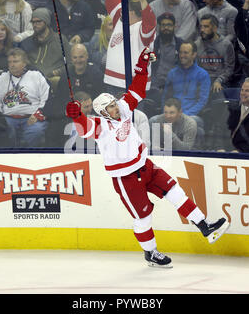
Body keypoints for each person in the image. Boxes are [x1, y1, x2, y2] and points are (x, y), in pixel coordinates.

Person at [65, 47, 229, 268]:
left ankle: (204, 226)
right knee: (143, 217)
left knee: (175, 191)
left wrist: (142, 66)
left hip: (145, 166)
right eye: (111, 106)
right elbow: (84, 128)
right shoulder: (100, 125)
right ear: (103, 112)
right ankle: (151, 252)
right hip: (125, 178)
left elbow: (137, 90)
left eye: (114, 103)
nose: (116, 107)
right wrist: (77, 115)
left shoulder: (123, 109)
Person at [0, 48, 50, 148]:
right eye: (10, 62)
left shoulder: (36, 75)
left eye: (16, 61)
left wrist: (38, 114)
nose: (12, 65)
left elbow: (46, 97)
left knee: (36, 131)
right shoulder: (2, 77)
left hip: (32, 117)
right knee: (1, 129)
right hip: (8, 118)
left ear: (24, 63)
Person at [104, 0, 156, 95]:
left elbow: (150, 21)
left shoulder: (143, 30)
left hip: (134, 85)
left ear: (132, 13)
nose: (121, 11)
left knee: (135, 112)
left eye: (125, 9)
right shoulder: (120, 20)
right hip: (113, 83)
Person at [20, 7, 70, 90]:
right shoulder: (27, 42)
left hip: (54, 80)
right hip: (31, 82)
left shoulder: (60, 40)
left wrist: (56, 72)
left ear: (46, 22)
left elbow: (70, 64)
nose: (35, 25)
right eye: (33, 22)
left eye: (38, 21)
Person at [162, 41, 211, 117]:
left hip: (191, 115)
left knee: (189, 125)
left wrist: (185, 115)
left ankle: (171, 127)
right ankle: (167, 128)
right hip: (171, 114)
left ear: (194, 55)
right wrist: (166, 113)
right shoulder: (172, 73)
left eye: (185, 53)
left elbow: (202, 101)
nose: (182, 55)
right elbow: (165, 97)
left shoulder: (202, 75)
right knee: (154, 122)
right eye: (180, 52)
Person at [195, 14, 235, 96]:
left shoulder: (226, 44)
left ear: (215, 28)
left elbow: (229, 69)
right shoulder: (197, 44)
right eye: (201, 27)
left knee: (217, 92)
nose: (202, 30)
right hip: (202, 82)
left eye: (206, 27)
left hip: (221, 81)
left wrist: (219, 81)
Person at [150, 12, 184, 96]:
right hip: (155, 85)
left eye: (169, 25)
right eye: (163, 25)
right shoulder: (153, 44)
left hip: (176, 84)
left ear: (174, 27)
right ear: (159, 27)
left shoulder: (180, 44)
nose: (166, 28)